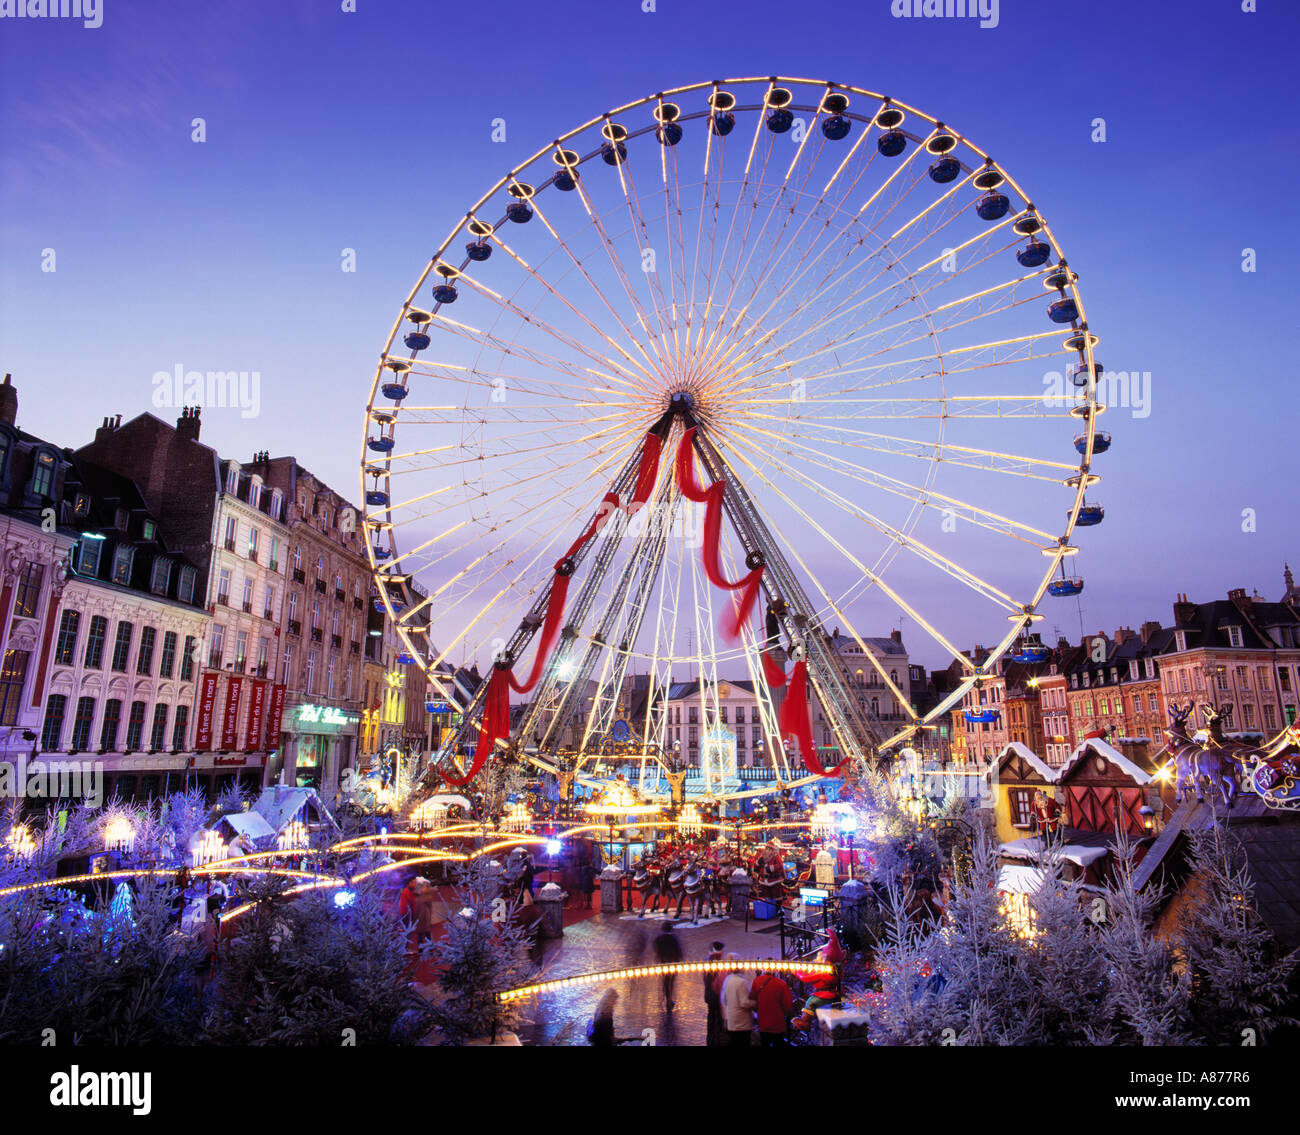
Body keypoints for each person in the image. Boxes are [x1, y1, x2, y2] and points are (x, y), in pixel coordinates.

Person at [750, 964, 794, 1046]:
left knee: (764, 1043)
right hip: (777, 1023)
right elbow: (788, 1005)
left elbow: (752, 998)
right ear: (775, 969)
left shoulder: (757, 981)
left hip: (763, 1022)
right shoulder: (781, 984)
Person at [719, 954, 756, 1046]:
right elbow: (744, 1003)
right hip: (742, 1023)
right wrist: (755, 1002)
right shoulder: (741, 982)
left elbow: (723, 999)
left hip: (731, 1021)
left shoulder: (728, 979)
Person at [652, 921, 683, 1010]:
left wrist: (659, 955)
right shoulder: (673, 939)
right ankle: (669, 999)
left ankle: (667, 998)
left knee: (665, 981)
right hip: (672, 963)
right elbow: (678, 951)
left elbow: (655, 947)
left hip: (663, 962)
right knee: (671, 981)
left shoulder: (659, 939)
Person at [703, 940, 726, 1045]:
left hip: (709, 994)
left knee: (711, 1016)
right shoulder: (717, 961)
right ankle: (716, 1039)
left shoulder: (707, 960)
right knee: (718, 1018)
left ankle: (711, 1039)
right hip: (716, 994)